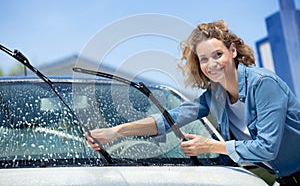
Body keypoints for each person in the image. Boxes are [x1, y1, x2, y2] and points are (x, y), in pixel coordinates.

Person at [86, 20, 300, 185]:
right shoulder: (215, 95)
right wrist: (115, 132)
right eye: (204, 59)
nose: (211, 64)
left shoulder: (263, 84)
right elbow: (169, 119)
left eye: (218, 54)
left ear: (233, 51)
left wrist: (211, 146)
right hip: (284, 176)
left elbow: (267, 148)